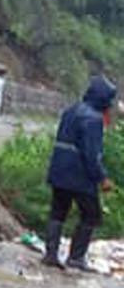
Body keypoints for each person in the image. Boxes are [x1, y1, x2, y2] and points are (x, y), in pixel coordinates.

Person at [41, 76, 116, 272]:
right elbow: (91, 154)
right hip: (79, 174)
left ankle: (50, 254)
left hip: (59, 169)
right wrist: (102, 177)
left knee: (58, 211)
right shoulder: (93, 119)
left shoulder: (71, 111)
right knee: (91, 215)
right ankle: (76, 257)